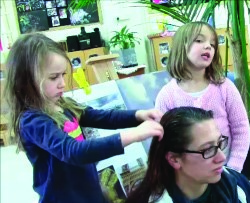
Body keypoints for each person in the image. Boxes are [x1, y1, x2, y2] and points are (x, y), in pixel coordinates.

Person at [3, 33, 164, 203]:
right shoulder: (32, 121)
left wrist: (138, 115)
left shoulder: (64, 105)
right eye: (53, 77)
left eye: (63, 75)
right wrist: (134, 135)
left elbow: (101, 117)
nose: (62, 83)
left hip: (88, 192)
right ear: (27, 80)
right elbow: (73, 151)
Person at [155, 21, 250, 172]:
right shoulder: (167, 96)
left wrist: (234, 169)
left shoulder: (225, 87)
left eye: (212, 44)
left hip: (225, 171)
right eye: (199, 40)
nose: (208, 46)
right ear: (181, 47)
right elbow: (163, 142)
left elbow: (241, 129)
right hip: (187, 179)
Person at [126, 107, 250, 203]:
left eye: (220, 143)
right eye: (208, 150)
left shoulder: (235, 183)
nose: (222, 158)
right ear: (174, 159)